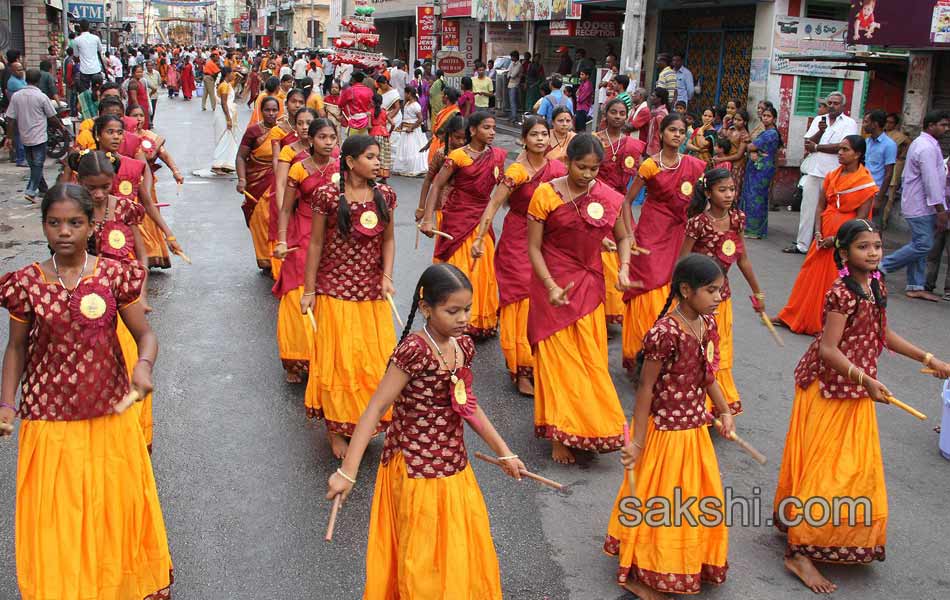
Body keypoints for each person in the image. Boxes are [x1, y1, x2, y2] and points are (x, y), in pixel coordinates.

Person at [0, 183, 173, 600]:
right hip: (47, 417)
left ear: (91, 225)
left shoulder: (114, 274)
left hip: (108, 412)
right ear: (43, 226)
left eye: (74, 222)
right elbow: (16, 348)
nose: (64, 231)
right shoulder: (27, 283)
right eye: (55, 223)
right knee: (58, 514)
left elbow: (145, 334)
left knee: (110, 507)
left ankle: (114, 584)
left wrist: (143, 367)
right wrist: (7, 405)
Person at [326, 263, 523, 599]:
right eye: (453, 311)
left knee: (457, 547)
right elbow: (375, 409)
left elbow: (467, 405)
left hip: (454, 467)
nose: (463, 318)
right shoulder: (413, 352)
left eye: (467, 309)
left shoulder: (463, 348)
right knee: (422, 557)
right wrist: (348, 473)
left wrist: (505, 452)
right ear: (426, 308)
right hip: (415, 470)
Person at [774, 219, 950, 594]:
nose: (872, 253)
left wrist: (929, 357)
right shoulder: (841, 292)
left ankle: (821, 531)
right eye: (863, 247)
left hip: (856, 388)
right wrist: (866, 379)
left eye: (877, 246)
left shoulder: (877, 284)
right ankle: (799, 552)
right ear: (844, 252)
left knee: (852, 470)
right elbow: (828, 349)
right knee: (826, 471)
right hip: (828, 387)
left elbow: (882, 334)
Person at [605, 254, 734, 599]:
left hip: (694, 429)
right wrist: (639, 442)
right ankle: (640, 568)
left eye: (720, 289)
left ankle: (684, 558)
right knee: (659, 500)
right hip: (665, 430)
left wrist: (723, 410)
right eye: (712, 290)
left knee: (691, 500)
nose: (719, 296)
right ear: (686, 290)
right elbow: (645, 387)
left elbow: (707, 374)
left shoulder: (706, 324)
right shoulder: (664, 332)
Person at [527, 133, 633, 464]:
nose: (587, 175)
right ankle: (560, 432)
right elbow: (533, 247)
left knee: (589, 360)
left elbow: (625, 236)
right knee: (557, 362)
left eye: (594, 169)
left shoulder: (609, 197)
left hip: (589, 284)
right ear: (567, 162)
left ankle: (593, 424)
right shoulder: (546, 194)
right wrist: (550, 286)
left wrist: (625, 268)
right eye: (581, 167)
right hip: (551, 284)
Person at [300, 135, 397, 458]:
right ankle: (336, 428)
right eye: (370, 157)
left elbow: (388, 240)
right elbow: (315, 244)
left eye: (377, 157)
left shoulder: (384, 195)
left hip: (371, 292)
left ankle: (365, 420)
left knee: (372, 361)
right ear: (351, 161)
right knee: (339, 362)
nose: (376, 162)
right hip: (334, 290)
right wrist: (309, 289)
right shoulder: (327, 195)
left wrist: (386, 277)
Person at [471, 116, 567, 396]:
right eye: (534, 134)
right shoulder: (516, 172)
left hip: (548, 240)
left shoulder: (558, 169)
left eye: (544, 134)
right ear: (523, 139)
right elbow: (493, 205)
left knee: (544, 302)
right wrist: (479, 238)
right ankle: (520, 368)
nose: (540, 139)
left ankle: (540, 363)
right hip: (517, 240)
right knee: (519, 303)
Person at [621, 112, 707, 369]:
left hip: (678, 235)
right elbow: (626, 201)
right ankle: (641, 351)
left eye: (681, 131)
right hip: (650, 232)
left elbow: (703, 201)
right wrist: (629, 233)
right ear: (661, 134)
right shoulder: (650, 165)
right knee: (648, 289)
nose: (677, 135)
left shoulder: (693, 165)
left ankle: (668, 354)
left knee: (675, 286)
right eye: (672, 130)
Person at [681, 167, 764, 415]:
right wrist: (683, 296)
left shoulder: (737, 219)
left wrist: (758, 293)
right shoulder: (697, 224)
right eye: (722, 190)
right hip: (697, 300)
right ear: (708, 192)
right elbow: (683, 261)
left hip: (722, 299)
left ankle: (715, 406)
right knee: (698, 351)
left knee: (720, 352)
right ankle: (694, 404)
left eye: (731, 189)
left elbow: (743, 259)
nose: (728, 194)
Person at [774, 135, 877, 334]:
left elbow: (860, 221)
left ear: (858, 154)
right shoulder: (832, 175)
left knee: (834, 281)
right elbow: (821, 205)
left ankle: (825, 324)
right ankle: (792, 315)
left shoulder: (866, 183)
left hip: (844, 241)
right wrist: (818, 231)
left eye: (845, 149)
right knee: (808, 275)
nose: (840, 153)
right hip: (823, 235)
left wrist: (837, 240)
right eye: (839, 149)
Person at [421, 111, 507, 339]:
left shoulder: (497, 156)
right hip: (456, 217)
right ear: (473, 130)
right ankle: (448, 317)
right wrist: (428, 217)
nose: (492, 132)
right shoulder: (457, 156)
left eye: (494, 128)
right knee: (458, 267)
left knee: (483, 267)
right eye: (487, 128)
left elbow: (503, 191)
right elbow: (436, 185)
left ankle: (477, 319)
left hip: (482, 218)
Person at [273, 118, 338, 384]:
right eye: (322, 137)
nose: (328, 142)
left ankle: (325, 354)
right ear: (311, 140)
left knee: (327, 294)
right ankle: (296, 357)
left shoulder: (341, 168)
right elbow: (286, 209)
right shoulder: (299, 170)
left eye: (332, 138)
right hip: (302, 232)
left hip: (332, 235)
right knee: (296, 293)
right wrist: (281, 240)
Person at [880, 110, 949, 302]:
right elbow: (931, 181)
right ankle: (882, 267)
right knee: (923, 244)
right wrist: (941, 210)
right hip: (920, 205)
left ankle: (915, 285)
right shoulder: (925, 147)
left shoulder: (927, 144)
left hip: (922, 204)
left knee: (920, 243)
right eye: (942, 125)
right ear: (930, 125)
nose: (946, 129)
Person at [787, 91, 859, 254]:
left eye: (835, 103)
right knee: (808, 209)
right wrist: (820, 132)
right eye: (830, 103)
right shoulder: (820, 120)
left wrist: (818, 147)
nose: (832, 106)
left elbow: (843, 146)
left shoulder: (849, 123)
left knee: (831, 210)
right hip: (815, 171)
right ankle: (802, 245)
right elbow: (808, 143)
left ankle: (829, 242)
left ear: (843, 106)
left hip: (835, 173)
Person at [596, 99, 646, 325]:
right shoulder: (595, 141)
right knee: (602, 258)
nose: (618, 116)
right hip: (596, 203)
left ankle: (617, 305)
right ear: (606, 114)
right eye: (613, 112)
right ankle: (600, 308)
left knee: (625, 253)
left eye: (622, 113)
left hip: (620, 203)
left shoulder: (633, 145)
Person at [237, 96, 282, 270]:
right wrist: (242, 179)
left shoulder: (283, 130)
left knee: (277, 219)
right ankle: (265, 258)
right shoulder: (253, 132)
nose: (271, 114)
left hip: (278, 180)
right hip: (256, 182)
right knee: (260, 219)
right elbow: (241, 157)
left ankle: (278, 258)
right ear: (261, 111)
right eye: (267, 110)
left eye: (274, 110)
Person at [4, 68, 63, 202]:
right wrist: (62, 128)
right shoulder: (41, 97)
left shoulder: (16, 96)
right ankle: (31, 190)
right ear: (38, 81)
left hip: (24, 136)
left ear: (26, 79)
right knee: (37, 164)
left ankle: (43, 189)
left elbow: (11, 119)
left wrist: (9, 137)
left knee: (34, 165)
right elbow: (52, 117)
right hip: (39, 136)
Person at [416, 115, 467, 240]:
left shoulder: (470, 154)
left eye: (465, 138)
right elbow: (428, 180)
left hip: (465, 205)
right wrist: (421, 207)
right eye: (457, 137)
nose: (461, 142)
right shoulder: (441, 154)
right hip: (443, 205)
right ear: (449, 134)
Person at [740, 105, 783, 238]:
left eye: (768, 116)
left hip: (761, 169)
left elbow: (751, 145)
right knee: (753, 196)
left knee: (755, 198)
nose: (765, 118)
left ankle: (754, 230)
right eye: (764, 116)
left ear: (774, 119)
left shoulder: (771, 133)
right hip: (757, 167)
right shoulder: (765, 131)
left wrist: (750, 148)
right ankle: (753, 228)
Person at [861, 110, 898, 226]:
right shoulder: (867, 142)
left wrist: (879, 198)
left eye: (866, 122)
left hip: (876, 192)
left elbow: (888, 173)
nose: (863, 125)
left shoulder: (889, 145)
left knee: (873, 228)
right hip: (863, 189)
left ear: (875, 124)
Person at [881, 112, 910, 228]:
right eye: (886, 122)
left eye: (891, 122)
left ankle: (884, 220)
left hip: (894, 166)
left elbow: (909, 143)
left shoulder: (899, 136)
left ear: (896, 124)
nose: (888, 124)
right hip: (881, 166)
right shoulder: (880, 134)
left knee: (891, 196)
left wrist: (902, 155)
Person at [392, 86, 428, 176]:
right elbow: (406, 118)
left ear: (409, 94)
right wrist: (400, 126)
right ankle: (405, 168)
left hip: (413, 132)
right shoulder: (407, 104)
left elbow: (420, 119)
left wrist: (411, 128)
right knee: (405, 149)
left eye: (405, 93)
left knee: (413, 149)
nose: (404, 95)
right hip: (406, 130)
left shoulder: (415, 105)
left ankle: (413, 168)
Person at [211, 67, 239, 175]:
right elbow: (224, 103)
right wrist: (228, 118)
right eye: (232, 73)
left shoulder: (226, 85)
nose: (234, 75)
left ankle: (225, 163)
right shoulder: (224, 86)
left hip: (224, 113)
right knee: (224, 138)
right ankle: (217, 164)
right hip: (223, 114)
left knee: (228, 138)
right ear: (227, 74)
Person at [721, 108, 751, 199]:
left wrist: (721, 159)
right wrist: (724, 123)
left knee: (734, 188)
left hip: (737, 165)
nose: (736, 122)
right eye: (735, 119)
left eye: (739, 120)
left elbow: (739, 155)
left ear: (745, 122)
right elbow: (722, 135)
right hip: (728, 163)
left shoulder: (744, 135)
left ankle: (733, 210)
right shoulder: (732, 129)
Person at [71, 19, 106, 93]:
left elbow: (76, 56)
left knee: (84, 93)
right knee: (98, 92)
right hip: (96, 69)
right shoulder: (96, 38)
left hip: (84, 71)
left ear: (80, 28)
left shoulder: (76, 40)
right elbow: (100, 50)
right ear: (89, 26)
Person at [428, 86, 461, 163]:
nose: (441, 97)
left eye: (442, 95)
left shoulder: (455, 113)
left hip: (445, 146)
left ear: (446, 97)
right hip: (436, 143)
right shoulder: (444, 110)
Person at [339, 71, 374, 135]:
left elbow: (340, 104)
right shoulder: (369, 91)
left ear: (353, 79)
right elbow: (372, 106)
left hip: (353, 122)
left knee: (352, 143)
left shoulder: (349, 90)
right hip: (366, 121)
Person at [645, 87, 669, 155]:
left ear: (659, 99)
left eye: (653, 96)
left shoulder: (661, 114)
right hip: (651, 146)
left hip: (656, 148)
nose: (651, 98)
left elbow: (662, 133)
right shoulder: (655, 111)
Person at [506, 51, 523, 123]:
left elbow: (513, 75)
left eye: (512, 57)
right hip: (510, 84)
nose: (511, 58)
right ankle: (512, 116)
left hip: (515, 85)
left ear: (515, 57)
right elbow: (508, 72)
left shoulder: (519, 65)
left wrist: (509, 75)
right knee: (511, 101)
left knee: (513, 102)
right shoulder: (512, 63)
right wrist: (509, 74)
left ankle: (514, 117)